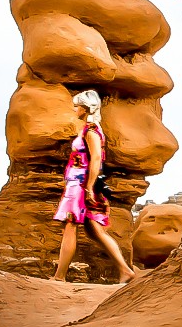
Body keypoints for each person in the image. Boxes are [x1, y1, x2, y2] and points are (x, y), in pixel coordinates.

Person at [52, 89, 136, 283]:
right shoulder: (89, 130)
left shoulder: (91, 132)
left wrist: (89, 186)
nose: (75, 109)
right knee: (95, 230)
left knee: (71, 224)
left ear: (85, 108)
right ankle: (125, 270)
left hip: (81, 185)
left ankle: (59, 276)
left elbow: (96, 158)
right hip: (83, 183)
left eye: (77, 106)